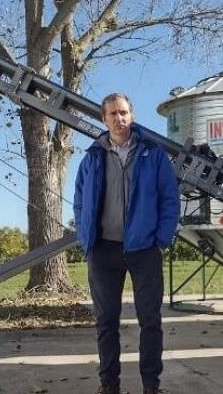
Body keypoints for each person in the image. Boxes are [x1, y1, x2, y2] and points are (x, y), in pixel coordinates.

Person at [73, 93, 180, 394]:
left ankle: (151, 386)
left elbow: (169, 199)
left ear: (131, 115)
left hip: (144, 250)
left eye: (123, 113)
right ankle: (109, 385)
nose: (119, 119)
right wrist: (86, 240)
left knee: (150, 321)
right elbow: (79, 202)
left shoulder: (153, 154)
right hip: (103, 250)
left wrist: (160, 240)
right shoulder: (92, 157)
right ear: (104, 119)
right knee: (106, 321)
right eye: (112, 114)